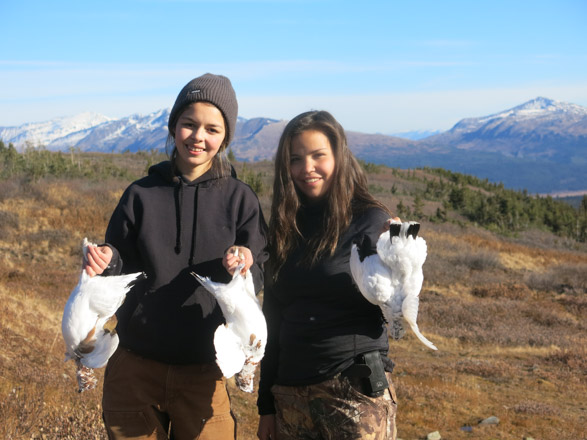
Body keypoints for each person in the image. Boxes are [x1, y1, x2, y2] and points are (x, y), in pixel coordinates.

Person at [84, 73, 268, 440]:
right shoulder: (140, 194)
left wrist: (245, 266)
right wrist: (106, 260)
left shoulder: (240, 199)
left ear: (225, 137)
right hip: (135, 366)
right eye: (189, 124)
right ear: (173, 127)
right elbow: (118, 261)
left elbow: (259, 267)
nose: (199, 137)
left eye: (212, 129)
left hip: (205, 371)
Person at [256, 110, 398, 440]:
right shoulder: (283, 228)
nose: (307, 168)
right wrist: (266, 407)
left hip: (355, 393)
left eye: (318, 155)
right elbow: (272, 321)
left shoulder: (370, 221)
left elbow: (399, 298)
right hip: (291, 397)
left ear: (339, 156)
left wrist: (401, 253)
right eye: (296, 159)